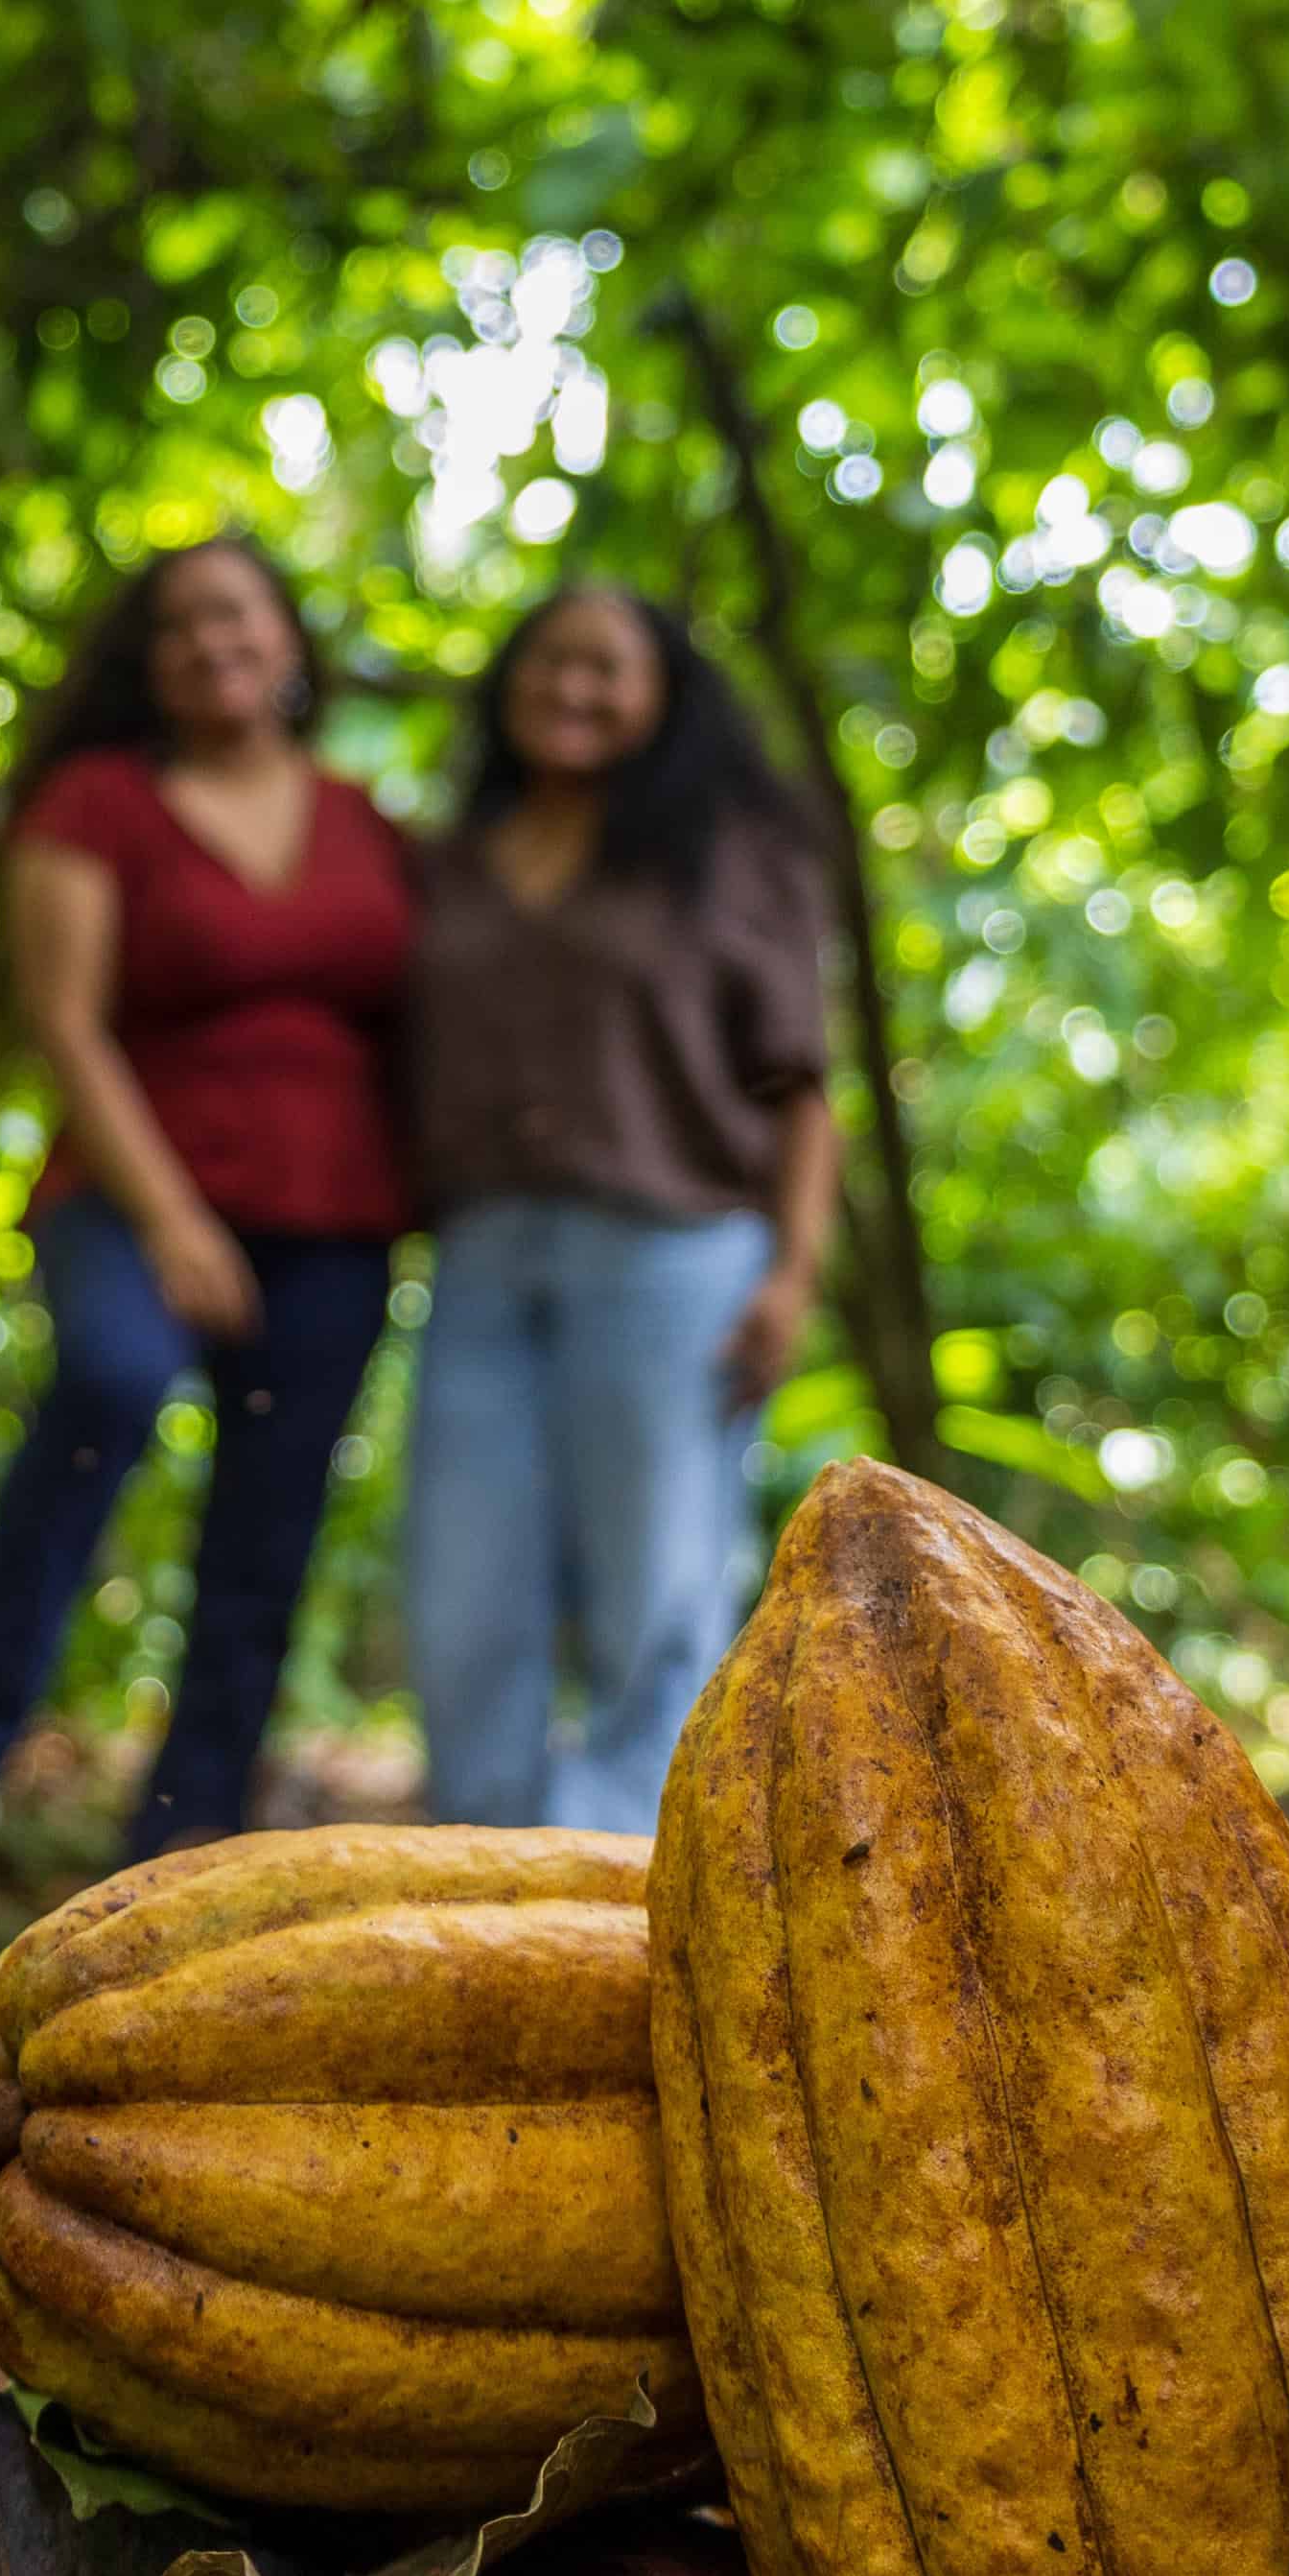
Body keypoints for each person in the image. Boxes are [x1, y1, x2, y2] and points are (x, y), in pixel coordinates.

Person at [0, 537, 421, 1903]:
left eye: (237, 615)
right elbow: (62, 1019)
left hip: (336, 1217)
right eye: (177, 628)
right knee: (107, 1384)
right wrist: (173, 1223)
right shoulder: (98, 803)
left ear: (289, 641)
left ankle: (183, 1836)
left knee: (270, 1517)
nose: (211, 644)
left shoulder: (366, 823)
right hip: (132, 1189)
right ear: (146, 665)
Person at [398, 584, 843, 1832]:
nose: (573, 689)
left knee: (660, 1593)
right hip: (483, 1259)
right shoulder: (456, 858)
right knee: (461, 1597)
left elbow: (803, 1088)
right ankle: (483, 1878)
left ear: (662, 696)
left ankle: (626, 1878)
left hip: (671, 1257)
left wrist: (791, 1274)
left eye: (607, 668)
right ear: (507, 680)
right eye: (549, 661)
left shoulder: (732, 859)